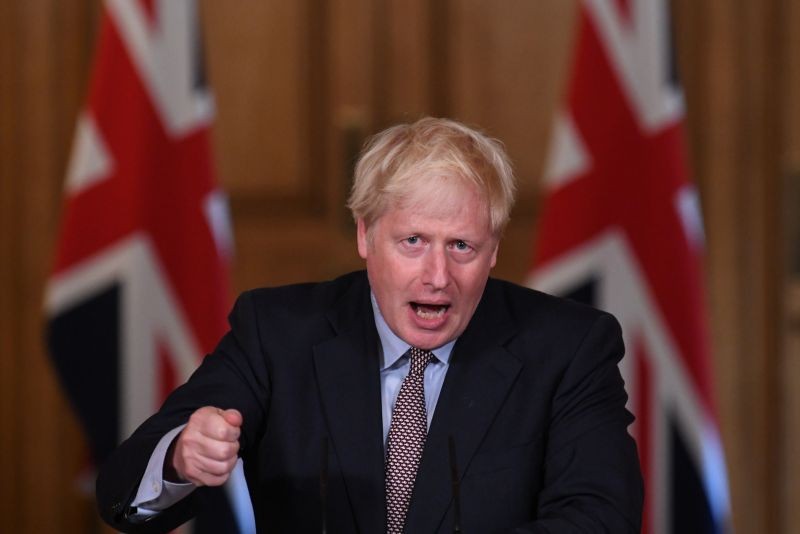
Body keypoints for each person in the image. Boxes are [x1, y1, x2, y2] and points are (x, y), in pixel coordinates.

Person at [97, 117, 643, 533]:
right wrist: (181, 456)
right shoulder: (279, 333)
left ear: (494, 250)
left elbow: (599, 518)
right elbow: (121, 493)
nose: (438, 276)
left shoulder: (570, 346)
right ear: (365, 236)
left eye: (462, 246)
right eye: (412, 242)